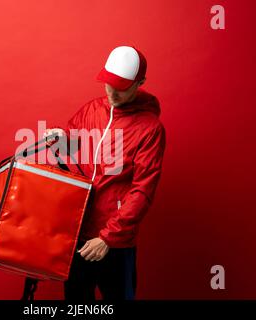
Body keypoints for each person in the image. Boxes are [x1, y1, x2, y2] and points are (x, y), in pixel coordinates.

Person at [44, 45, 166, 300]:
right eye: (108, 83)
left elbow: (142, 191)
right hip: (78, 229)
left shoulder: (150, 129)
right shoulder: (91, 110)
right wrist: (60, 137)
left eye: (120, 86)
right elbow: (77, 147)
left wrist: (108, 238)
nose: (112, 92)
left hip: (115, 242)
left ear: (140, 82)